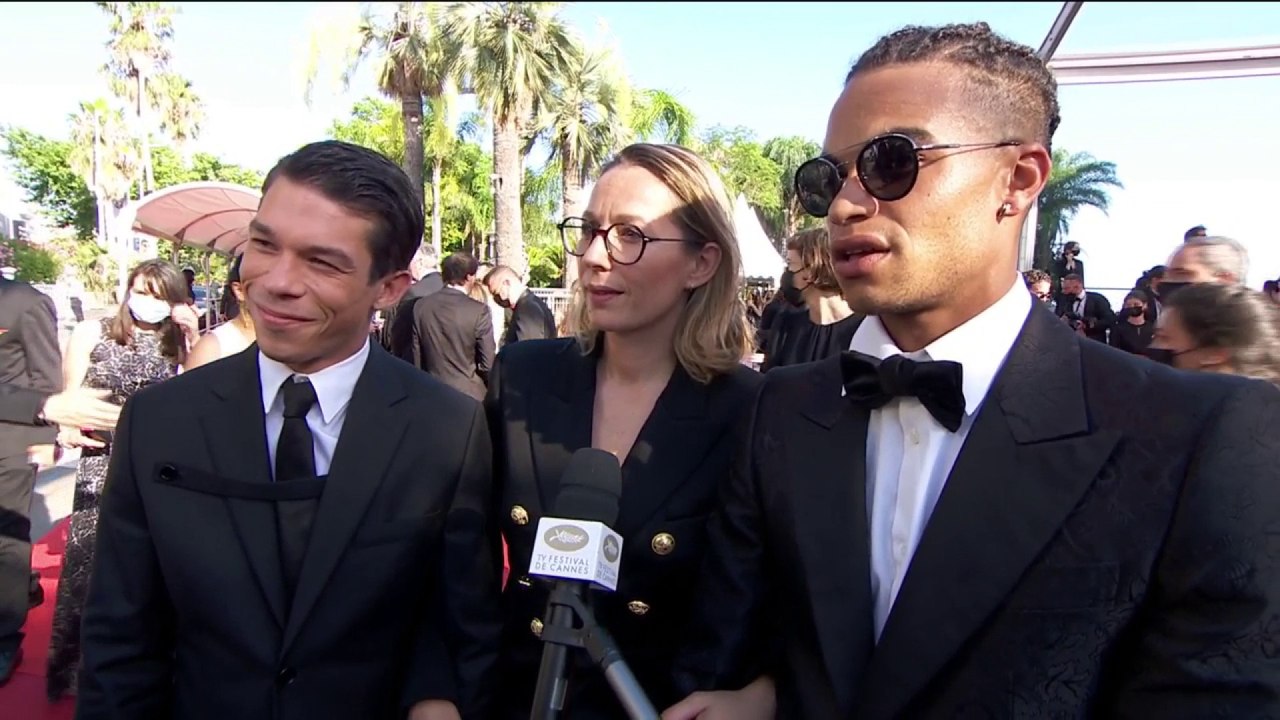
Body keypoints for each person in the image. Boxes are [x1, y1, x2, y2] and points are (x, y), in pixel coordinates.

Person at [669, 22, 1280, 719]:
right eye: (827, 178)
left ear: (1017, 180)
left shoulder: (1199, 437)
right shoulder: (778, 409)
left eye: (891, 162)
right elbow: (732, 652)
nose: (843, 204)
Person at [78, 140, 501, 720]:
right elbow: (119, 642)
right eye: (264, 245)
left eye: (322, 262)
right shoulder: (162, 420)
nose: (276, 282)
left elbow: (460, 629)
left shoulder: (445, 429)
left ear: (389, 288)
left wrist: (439, 695)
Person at [486, 143, 761, 719]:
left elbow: (760, 602)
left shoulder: (751, 410)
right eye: (588, 231)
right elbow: (465, 565)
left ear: (701, 263)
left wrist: (764, 695)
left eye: (629, 235)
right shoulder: (523, 377)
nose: (592, 256)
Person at [47, 259, 192, 699]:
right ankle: (73, 669)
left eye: (157, 295)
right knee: (87, 562)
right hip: (101, 456)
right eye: (139, 291)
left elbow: (196, 396)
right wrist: (67, 427)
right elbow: (71, 396)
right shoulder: (94, 332)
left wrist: (193, 335)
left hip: (154, 462)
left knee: (145, 563)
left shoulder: (174, 339)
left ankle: (144, 664)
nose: (146, 302)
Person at [0, 275, 61, 683]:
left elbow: (46, 377)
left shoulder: (24, 300)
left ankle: (5, 635)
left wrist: (45, 439)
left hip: (9, 439)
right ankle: (24, 586)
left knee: (6, 538)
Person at [484, 265, 557, 346]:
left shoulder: (528, 309)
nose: (496, 299)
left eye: (496, 293)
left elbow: (527, 350)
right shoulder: (530, 304)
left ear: (506, 283)